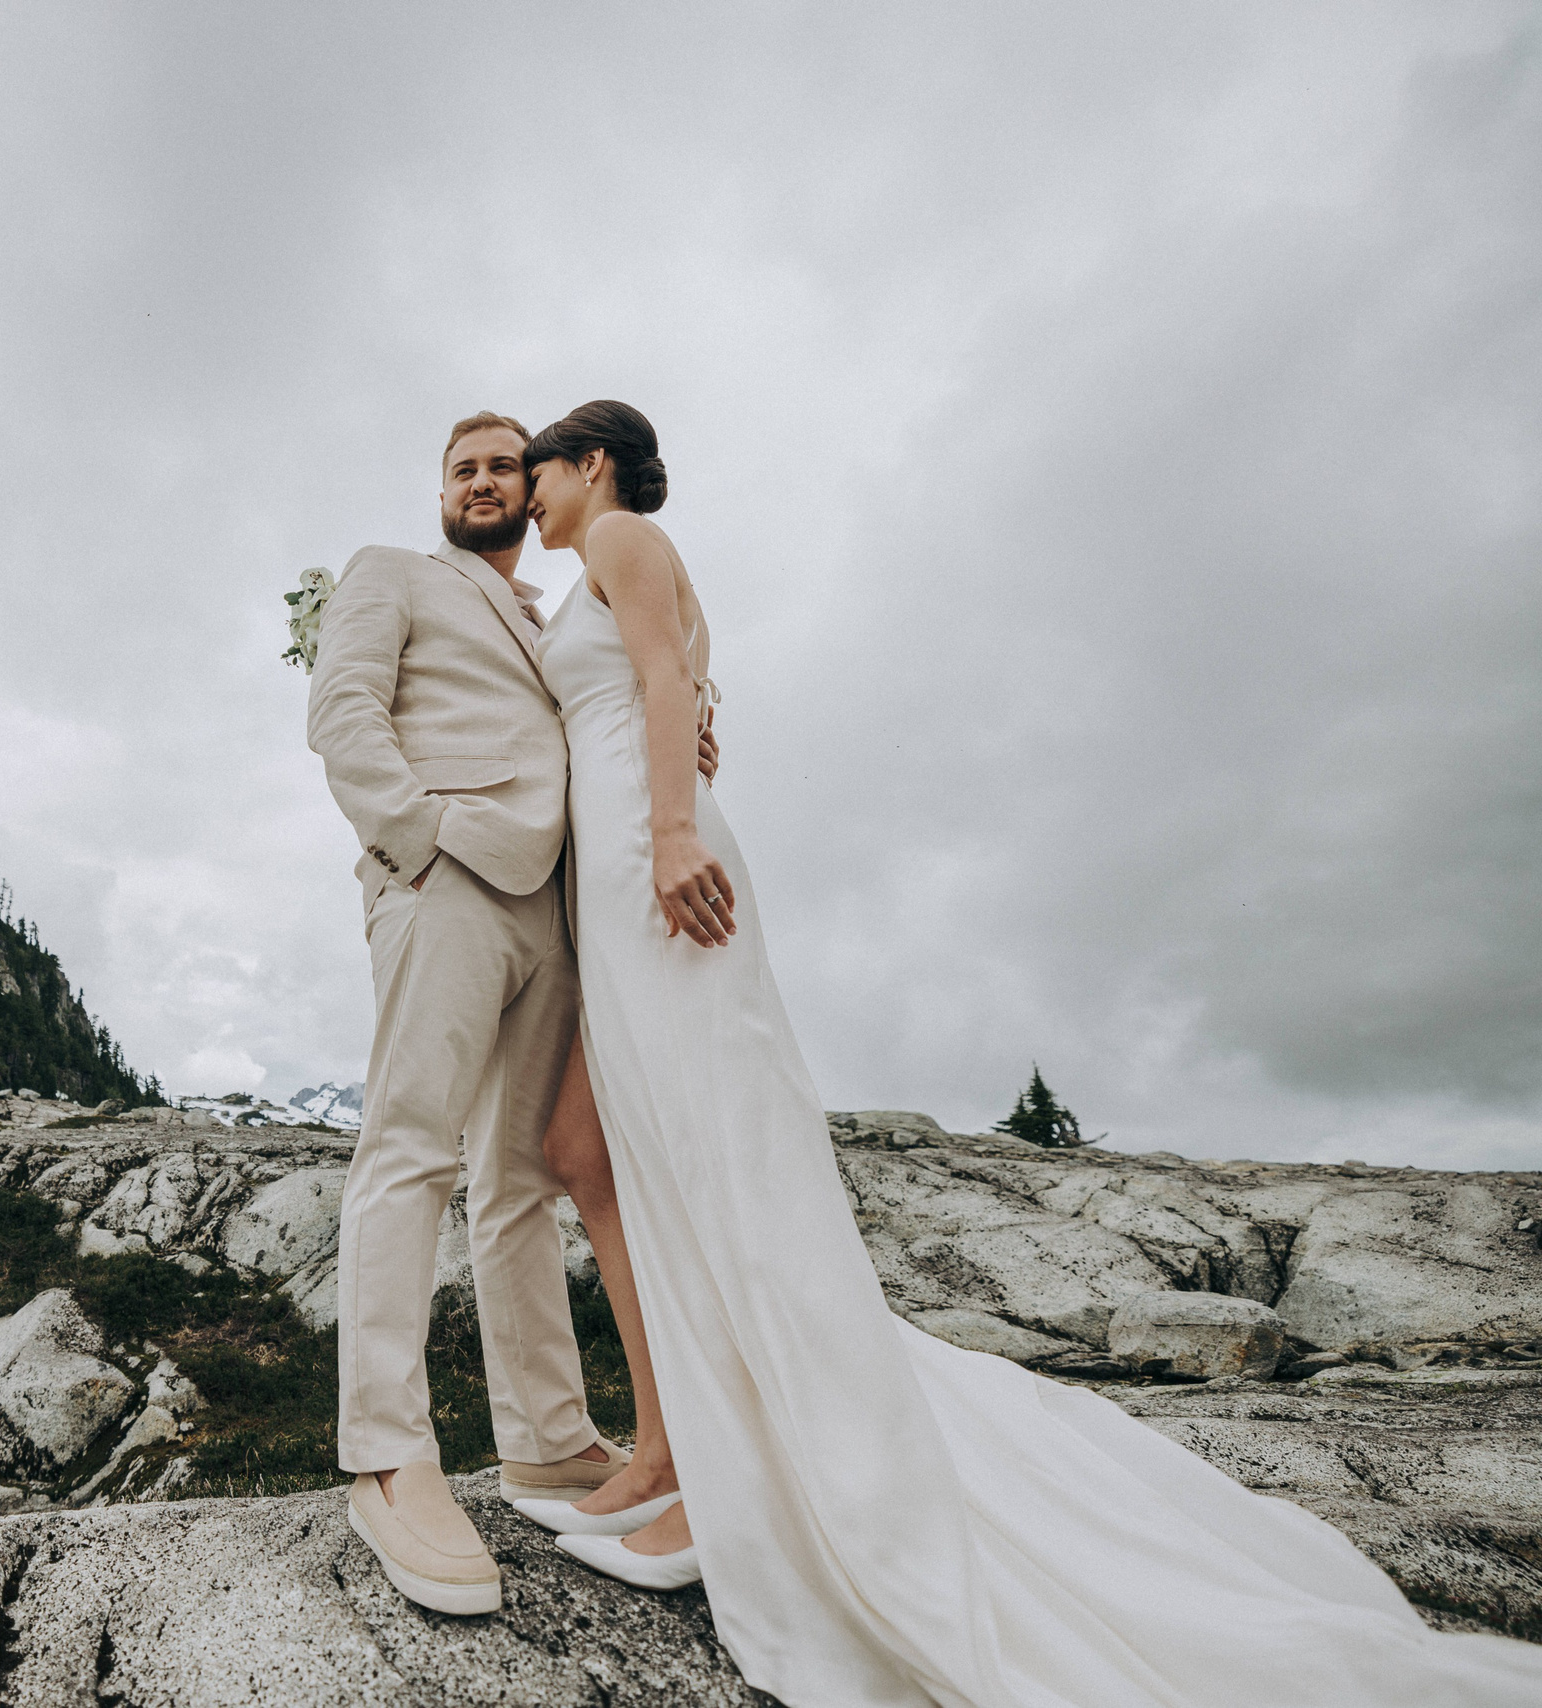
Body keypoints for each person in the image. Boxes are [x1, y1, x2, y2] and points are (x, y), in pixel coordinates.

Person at [509, 397, 1542, 1705]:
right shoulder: (589, 576)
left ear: (589, 460)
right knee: (659, 1159)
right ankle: (689, 1454)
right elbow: (663, 691)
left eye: (538, 469)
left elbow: (664, 682)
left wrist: (669, 835)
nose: (531, 496)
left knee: (718, 1157)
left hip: (656, 867)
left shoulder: (626, 539)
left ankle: (755, 1477)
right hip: (612, 873)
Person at [303, 410, 715, 1615]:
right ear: (441, 490)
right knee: (410, 1148)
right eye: (465, 467)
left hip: (555, 909)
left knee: (523, 1175)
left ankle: (544, 1437)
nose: (487, 481)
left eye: (503, 465)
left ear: (533, 485)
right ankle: (386, 1457)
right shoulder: (390, 575)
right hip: (446, 879)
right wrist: (417, 841)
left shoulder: (554, 609)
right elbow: (341, 714)